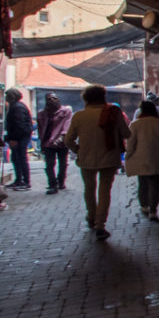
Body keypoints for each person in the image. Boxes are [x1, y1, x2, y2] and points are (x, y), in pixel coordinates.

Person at [65, 85, 130, 241]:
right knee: (104, 191)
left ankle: (91, 217)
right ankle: (100, 224)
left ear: (85, 99)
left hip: (86, 159)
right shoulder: (113, 113)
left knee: (89, 189)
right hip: (109, 158)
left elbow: (68, 140)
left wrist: (78, 150)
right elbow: (127, 133)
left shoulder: (79, 116)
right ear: (103, 97)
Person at [125, 100, 159, 220]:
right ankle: (153, 210)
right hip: (158, 159)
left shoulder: (135, 124)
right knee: (155, 186)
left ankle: (144, 206)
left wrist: (128, 156)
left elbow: (130, 144)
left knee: (143, 184)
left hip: (141, 160)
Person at [37, 92, 72, 194]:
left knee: (63, 164)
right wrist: (42, 143)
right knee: (49, 164)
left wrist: (62, 137)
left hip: (61, 142)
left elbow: (67, 126)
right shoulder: (42, 114)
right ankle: (52, 184)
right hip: (48, 143)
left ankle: (61, 181)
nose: (52, 101)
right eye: (49, 99)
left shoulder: (66, 111)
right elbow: (40, 129)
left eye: (54, 98)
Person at [4, 88, 33, 190]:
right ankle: (19, 180)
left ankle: (25, 182)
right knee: (16, 159)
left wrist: (14, 138)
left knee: (21, 159)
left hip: (20, 137)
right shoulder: (15, 106)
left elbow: (19, 125)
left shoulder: (17, 108)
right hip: (19, 136)